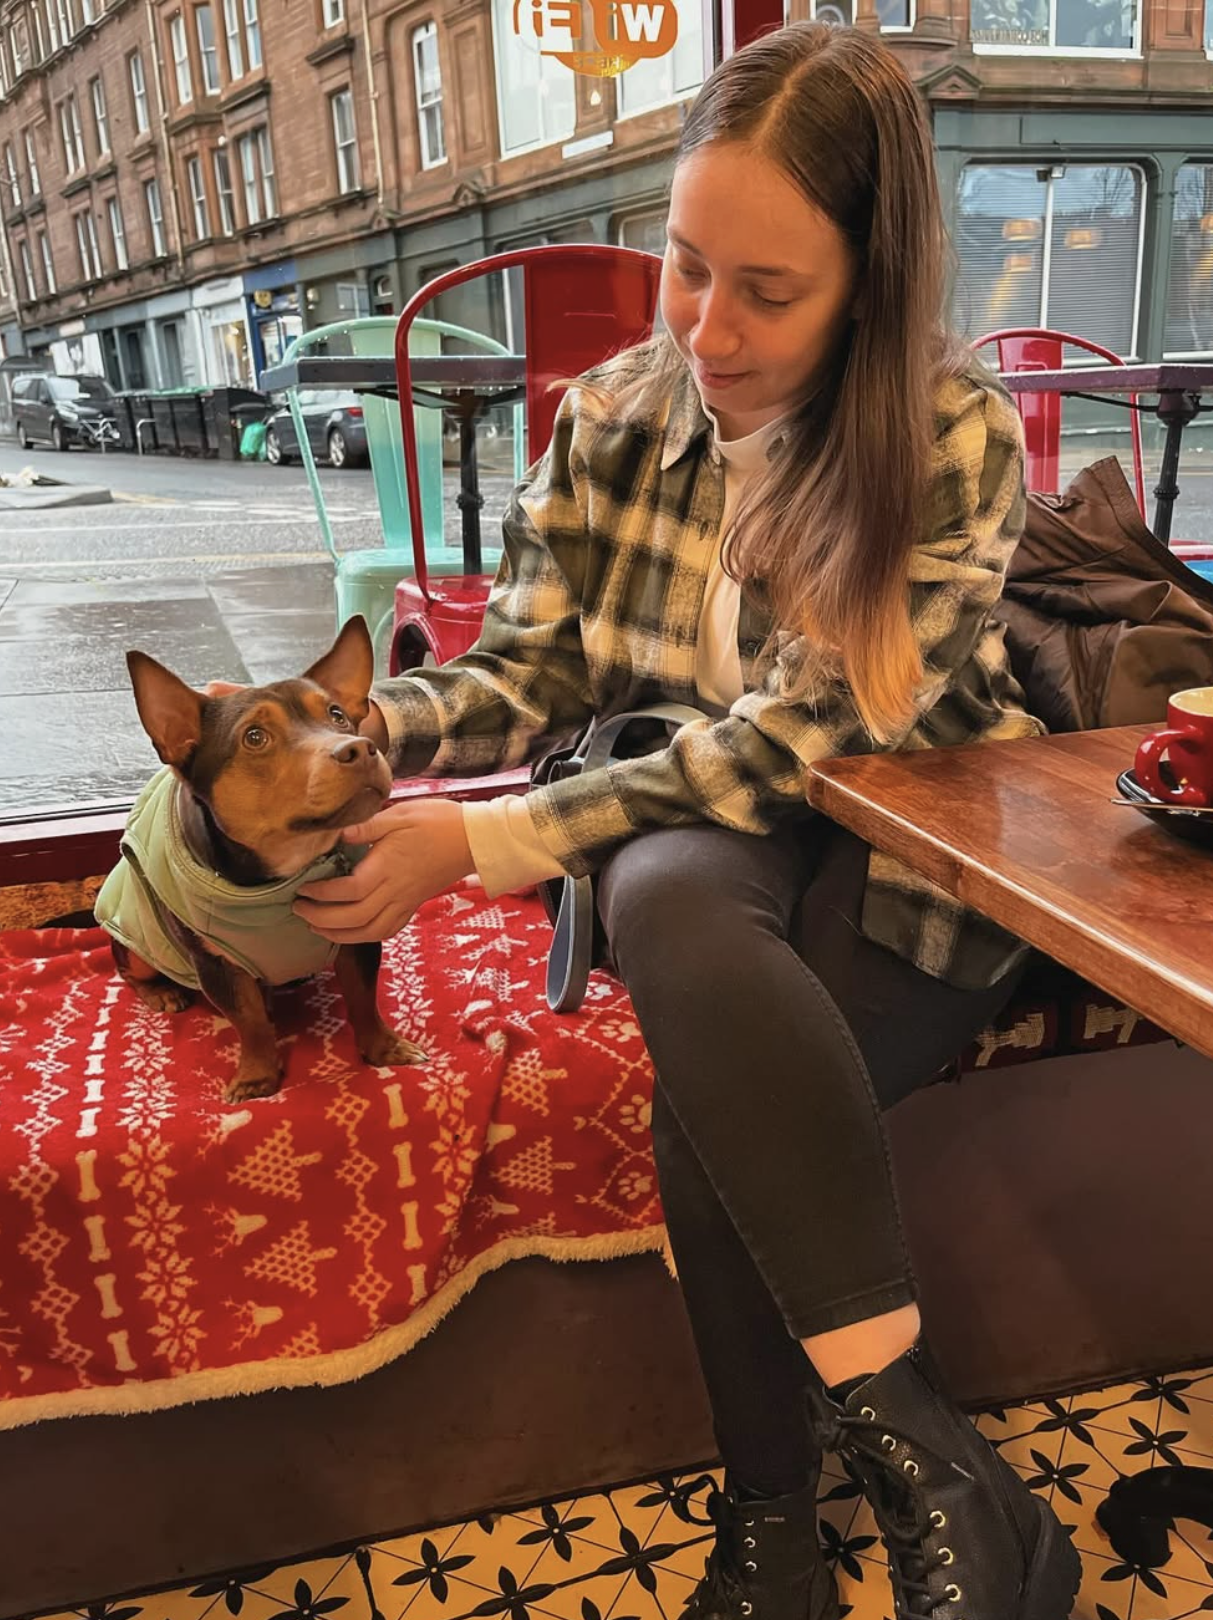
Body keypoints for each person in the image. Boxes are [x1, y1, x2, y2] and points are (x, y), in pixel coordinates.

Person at [290, 23, 1082, 1620]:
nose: (708, 330)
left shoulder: (947, 436)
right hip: (711, 834)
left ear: (870, 276)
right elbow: (534, 661)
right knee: (658, 884)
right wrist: (369, 731)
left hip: (911, 839)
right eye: (684, 267)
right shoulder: (612, 417)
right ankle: (945, 1476)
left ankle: (775, 1533)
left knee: (706, 1101)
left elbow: (801, 740)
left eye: (768, 293)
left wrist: (483, 844)